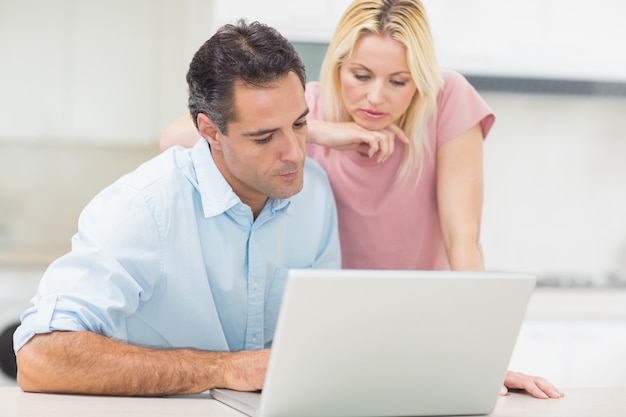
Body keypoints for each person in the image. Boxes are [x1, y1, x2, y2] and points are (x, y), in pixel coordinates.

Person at [160, 0, 564, 400]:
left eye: (398, 81)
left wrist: (482, 356)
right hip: (333, 336)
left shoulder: (447, 101)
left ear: (421, 79)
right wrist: (314, 131)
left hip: (426, 332)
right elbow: (174, 138)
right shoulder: (305, 108)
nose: (375, 97)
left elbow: (464, 237)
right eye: (361, 75)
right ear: (338, 66)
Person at [13, 19, 340, 397]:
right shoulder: (145, 206)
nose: (295, 154)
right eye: (264, 137)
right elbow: (39, 357)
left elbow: (322, 337)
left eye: (300, 124)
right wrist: (223, 369)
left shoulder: (315, 192)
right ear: (210, 131)